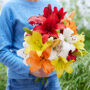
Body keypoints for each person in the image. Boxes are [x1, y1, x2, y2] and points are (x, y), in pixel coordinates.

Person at [0, 0, 61, 90]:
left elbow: (62, 41)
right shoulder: (9, 8)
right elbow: (2, 51)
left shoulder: (55, 5)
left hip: (52, 79)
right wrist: (31, 68)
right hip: (21, 82)